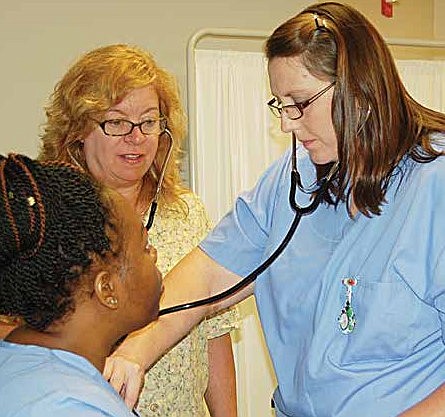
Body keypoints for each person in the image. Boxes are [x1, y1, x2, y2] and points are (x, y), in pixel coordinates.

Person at [101, 2, 445, 417]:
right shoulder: (294, 177)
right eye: (280, 104)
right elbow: (210, 273)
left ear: (360, 88)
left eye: (299, 102)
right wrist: (135, 350)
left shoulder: (433, 188)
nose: (286, 125)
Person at [38, 44, 238, 417]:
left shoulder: (186, 212)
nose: (136, 137)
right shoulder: (51, 220)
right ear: (79, 129)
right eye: (116, 123)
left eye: (148, 122)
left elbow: (214, 334)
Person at [0, 153, 162, 416]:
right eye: (144, 247)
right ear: (107, 290)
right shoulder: (72, 408)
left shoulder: (18, 365)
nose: (154, 255)